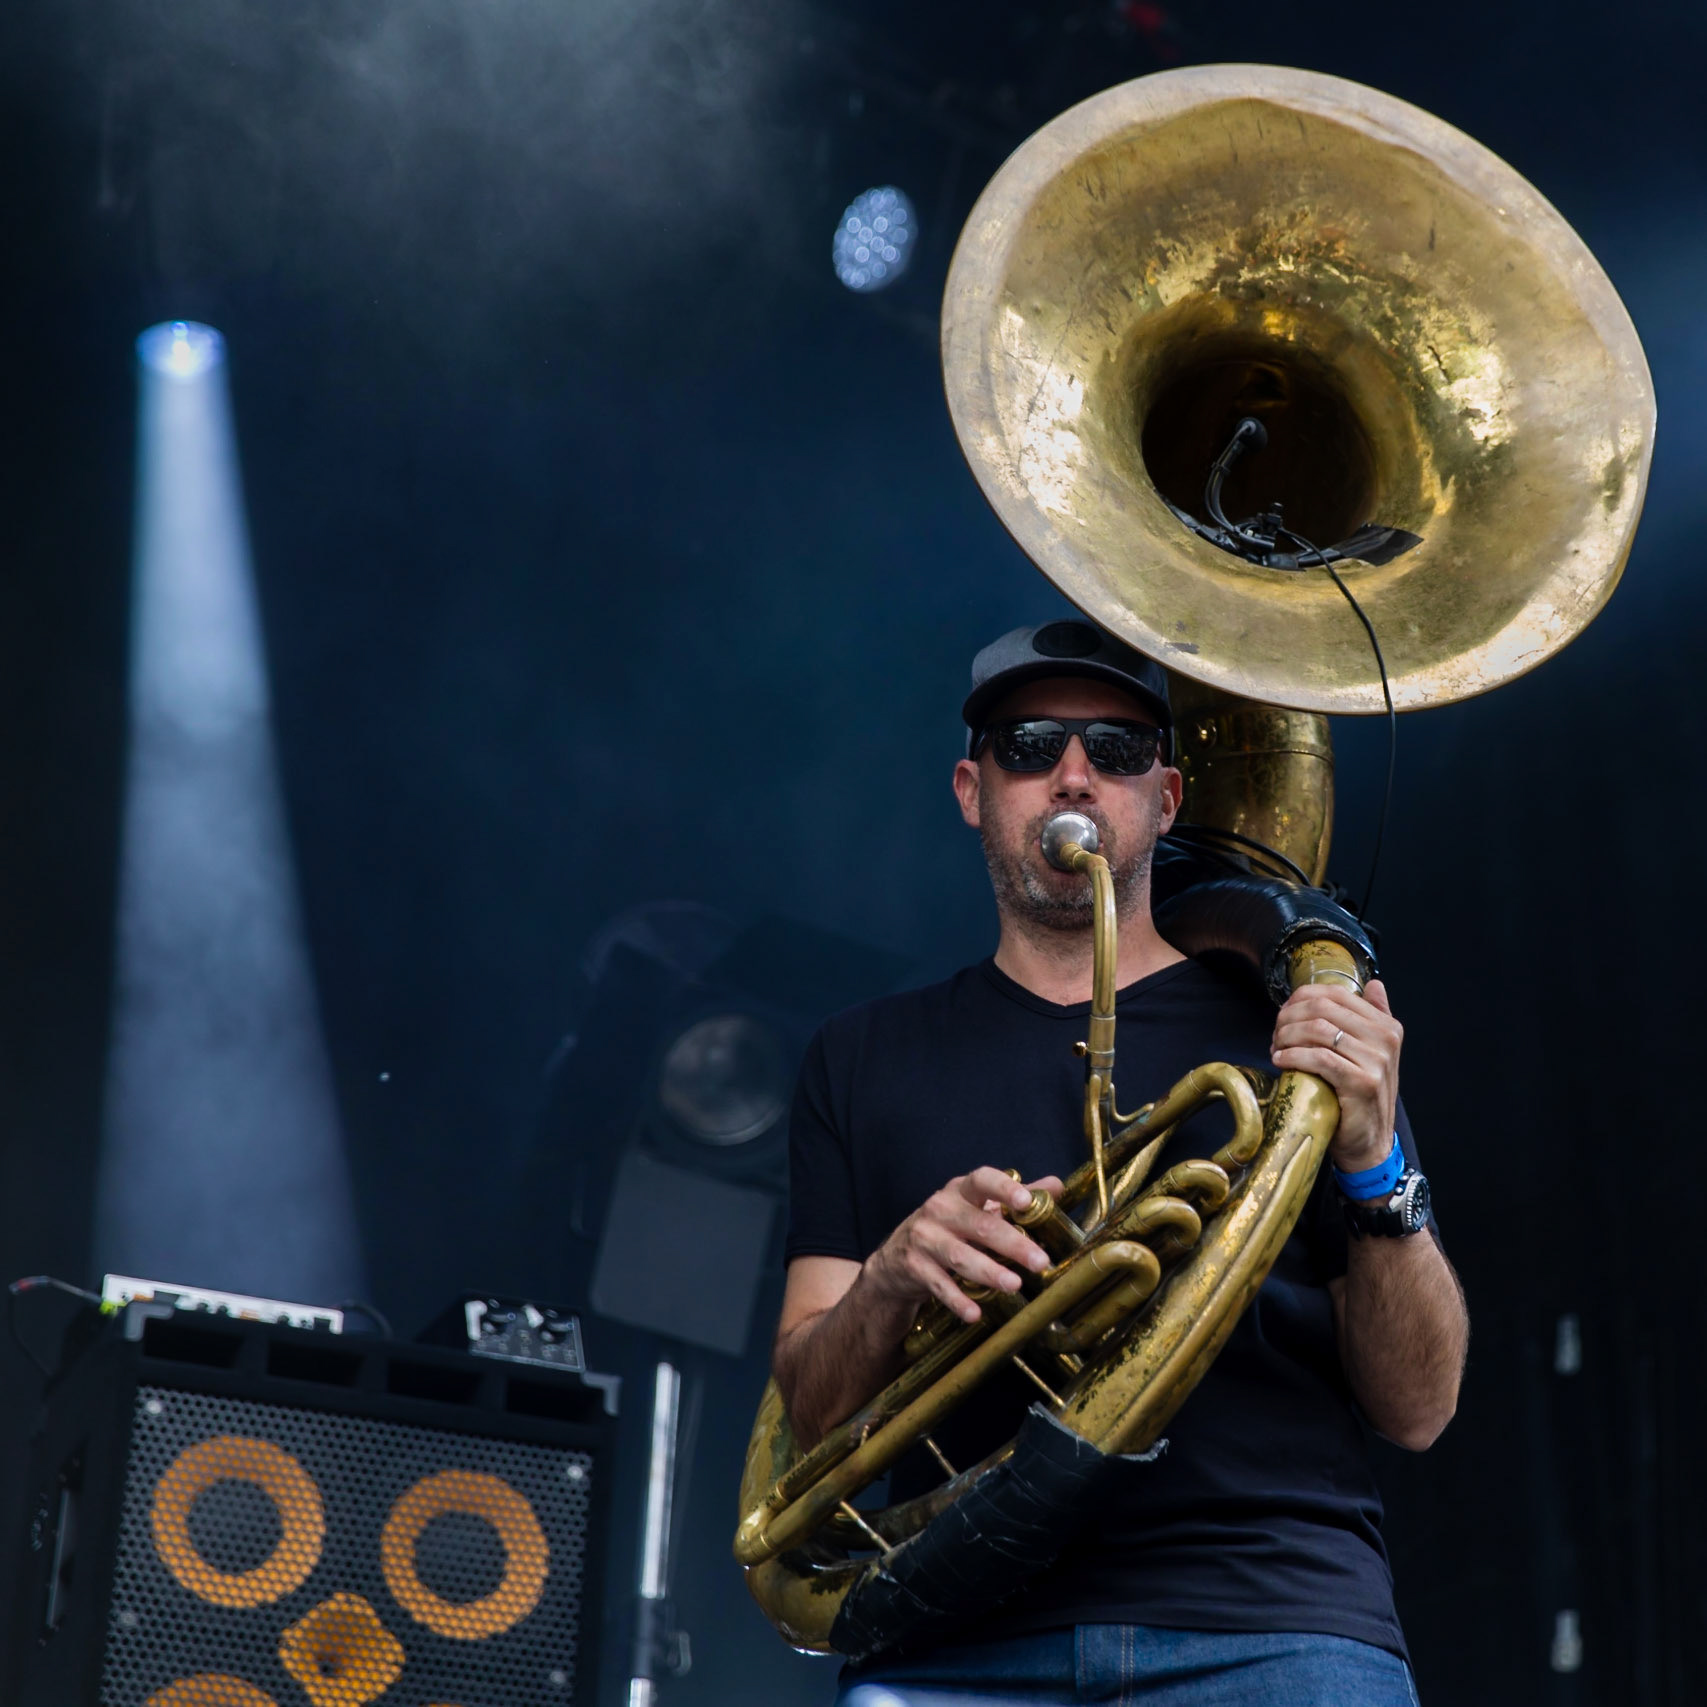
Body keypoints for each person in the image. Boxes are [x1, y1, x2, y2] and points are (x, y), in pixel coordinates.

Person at [774, 619, 1469, 1706]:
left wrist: (1377, 1164)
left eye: (1119, 751)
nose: (1072, 774)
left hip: (1274, 1620)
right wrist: (896, 1273)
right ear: (970, 788)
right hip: (956, 1642)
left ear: (1168, 798)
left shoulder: (1297, 1027)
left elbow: (1420, 1408)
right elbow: (812, 1415)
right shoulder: (860, 1054)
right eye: (1028, 744)